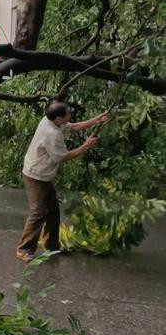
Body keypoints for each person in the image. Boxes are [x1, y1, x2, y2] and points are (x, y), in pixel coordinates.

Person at [16, 102, 110, 262]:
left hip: (42, 174)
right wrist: (85, 146)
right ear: (59, 117)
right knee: (38, 212)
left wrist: (96, 120)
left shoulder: (49, 120)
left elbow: (72, 127)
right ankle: (23, 249)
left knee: (53, 210)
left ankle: (51, 245)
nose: (70, 116)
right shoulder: (51, 133)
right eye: (68, 114)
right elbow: (62, 157)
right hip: (36, 176)